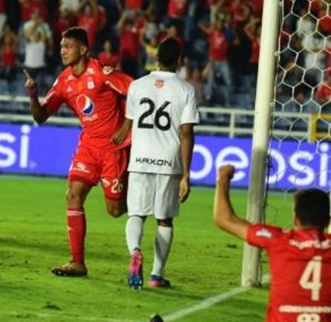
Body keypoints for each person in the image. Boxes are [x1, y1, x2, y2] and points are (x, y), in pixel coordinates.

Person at [24, 26, 133, 277]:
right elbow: (40, 116)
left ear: (83, 49)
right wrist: (33, 95)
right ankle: (77, 262)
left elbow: (137, 91)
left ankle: (142, 200)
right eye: (62, 47)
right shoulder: (64, 81)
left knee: (115, 211)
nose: (63, 51)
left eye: (68, 46)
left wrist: (127, 125)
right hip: (88, 147)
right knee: (73, 195)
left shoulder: (103, 73)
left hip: (113, 149)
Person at [113, 37, 199, 289]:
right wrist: (185, 174)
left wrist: (120, 134)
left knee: (136, 213)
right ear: (180, 61)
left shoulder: (138, 86)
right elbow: (186, 133)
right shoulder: (185, 90)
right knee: (164, 219)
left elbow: (128, 123)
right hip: (168, 162)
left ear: (156, 57)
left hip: (139, 159)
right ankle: (155, 276)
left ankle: (135, 251)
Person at [214, 164, 331, 322]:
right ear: (327, 222)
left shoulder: (278, 240)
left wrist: (223, 179)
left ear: (295, 219)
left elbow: (224, 218)